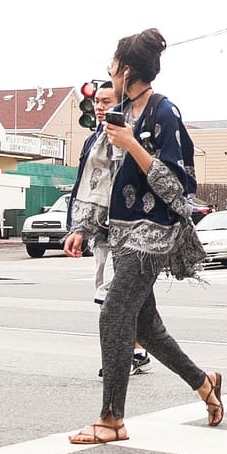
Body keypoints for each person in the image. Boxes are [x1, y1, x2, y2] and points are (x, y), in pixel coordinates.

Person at [63, 29, 223, 444]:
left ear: (126, 69)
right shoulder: (116, 113)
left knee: (114, 314)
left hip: (153, 234)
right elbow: (100, 175)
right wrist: (82, 227)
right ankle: (204, 382)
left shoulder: (163, 112)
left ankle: (111, 419)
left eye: (113, 68)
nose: (110, 75)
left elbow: (178, 186)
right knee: (146, 327)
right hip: (119, 235)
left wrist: (133, 144)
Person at [68, 80, 148, 374]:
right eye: (97, 102)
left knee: (113, 298)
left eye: (106, 101)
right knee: (124, 300)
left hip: (128, 233)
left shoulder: (129, 137)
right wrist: (79, 228)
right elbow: (87, 187)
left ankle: (120, 356)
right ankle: (135, 350)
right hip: (102, 231)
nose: (100, 107)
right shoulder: (94, 140)